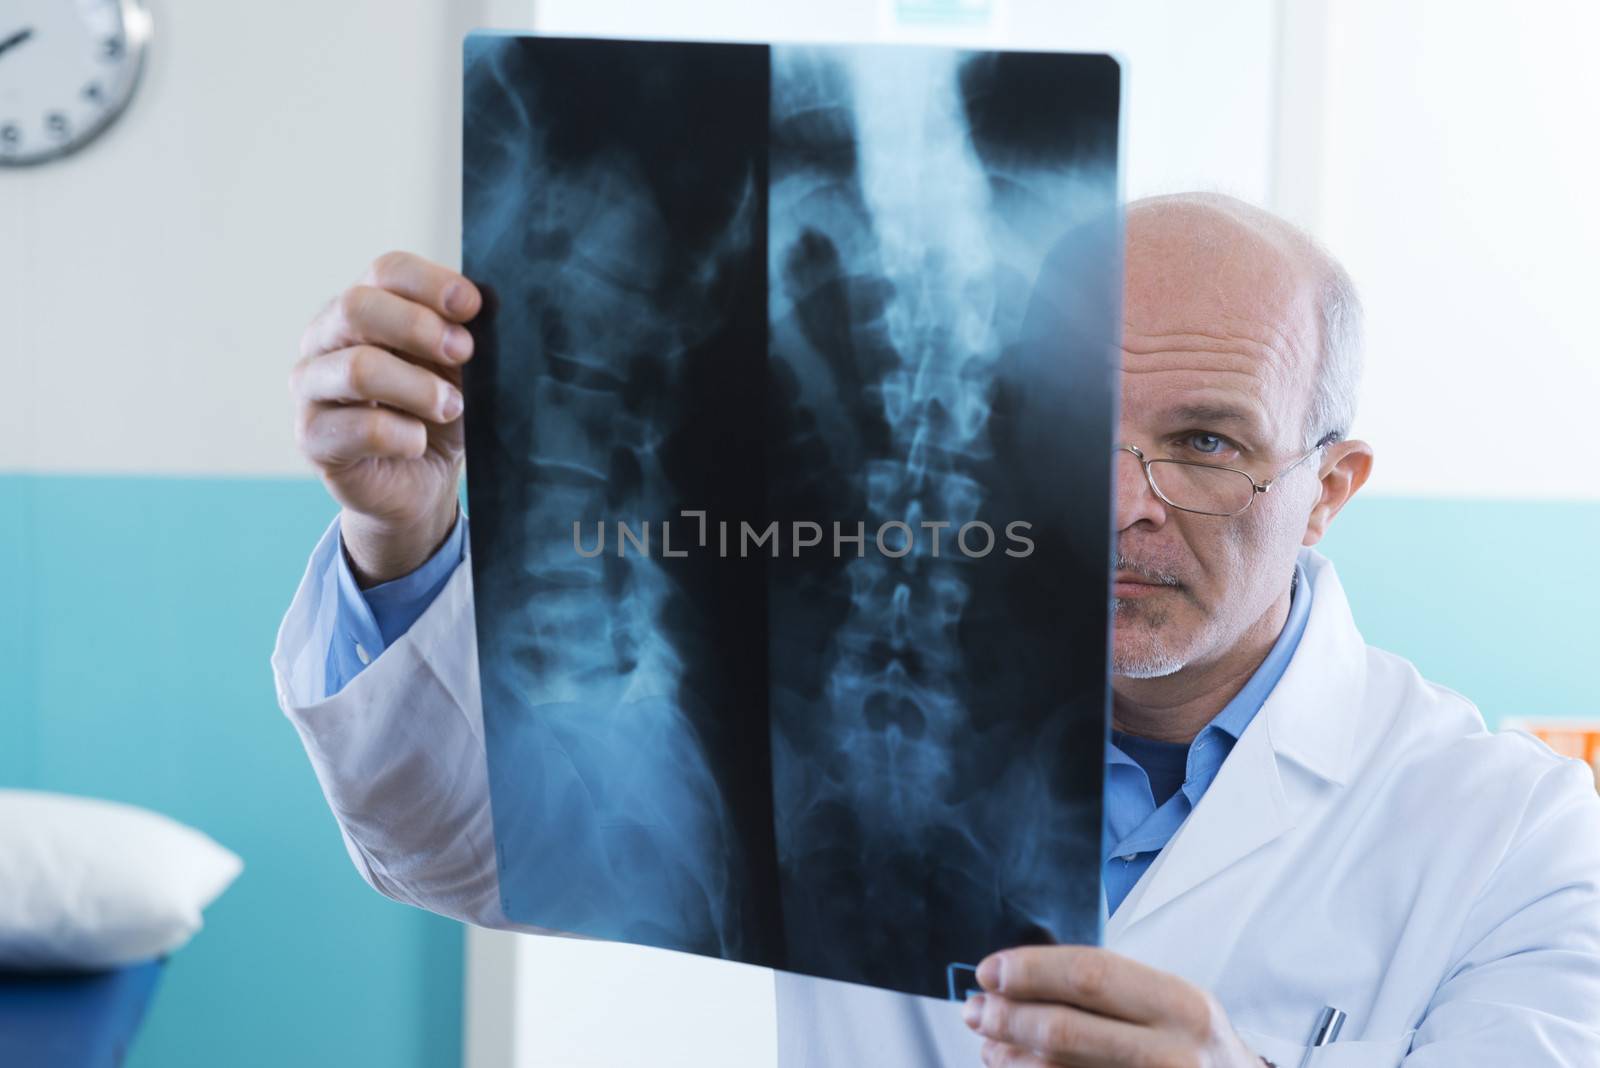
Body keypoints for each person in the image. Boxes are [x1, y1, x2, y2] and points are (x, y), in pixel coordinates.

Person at [275, 193, 1600, 1066]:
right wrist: (407, 535)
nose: (1126, 507)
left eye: (1206, 444)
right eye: (1075, 433)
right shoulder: (835, 729)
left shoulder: (1513, 836)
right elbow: (462, 850)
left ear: (1330, 489)